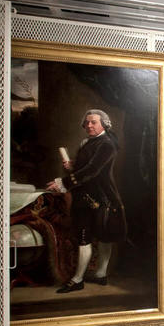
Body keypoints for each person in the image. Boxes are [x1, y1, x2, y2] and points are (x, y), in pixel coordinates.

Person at [46, 109, 126, 293]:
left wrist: (63, 182)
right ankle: (80, 278)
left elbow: (93, 169)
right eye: (87, 122)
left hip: (103, 197)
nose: (89, 125)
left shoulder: (107, 144)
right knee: (84, 236)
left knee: (105, 235)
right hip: (85, 196)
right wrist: (74, 166)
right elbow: (87, 167)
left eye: (94, 122)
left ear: (103, 124)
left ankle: (97, 274)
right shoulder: (89, 142)